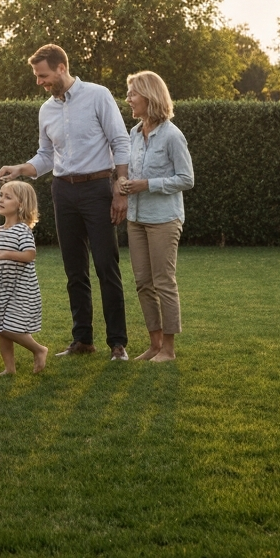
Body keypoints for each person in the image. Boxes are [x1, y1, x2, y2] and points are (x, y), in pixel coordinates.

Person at [0, 44, 131, 360]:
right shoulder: (46, 110)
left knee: (105, 266)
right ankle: (82, 340)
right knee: (74, 269)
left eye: (42, 75)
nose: (39, 81)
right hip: (63, 191)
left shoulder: (98, 96)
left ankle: (118, 343)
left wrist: (120, 188)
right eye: (36, 76)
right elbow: (45, 156)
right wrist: (20, 169)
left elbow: (120, 141)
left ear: (60, 68)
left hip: (98, 187)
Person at [118, 71, 194, 362]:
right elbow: (130, 172)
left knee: (164, 282)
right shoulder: (134, 133)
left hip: (164, 219)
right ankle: (154, 343)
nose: (128, 99)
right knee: (143, 282)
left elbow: (186, 179)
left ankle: (169, 350)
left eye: (132, 94)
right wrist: (123, 182)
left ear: (149, 97)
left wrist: (148, 184)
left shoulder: (173, 135)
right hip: (136, 218)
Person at [0, 180, 48, 375]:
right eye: (0, 195)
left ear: (21, 204)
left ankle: (39, 349)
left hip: (22, 289)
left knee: (9, 328)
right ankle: (9, 368)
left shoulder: (22, 230)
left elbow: (30, 255)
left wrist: (8, 255)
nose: (1, 199)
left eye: (7, 197)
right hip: (4, 288)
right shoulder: (1, 230)